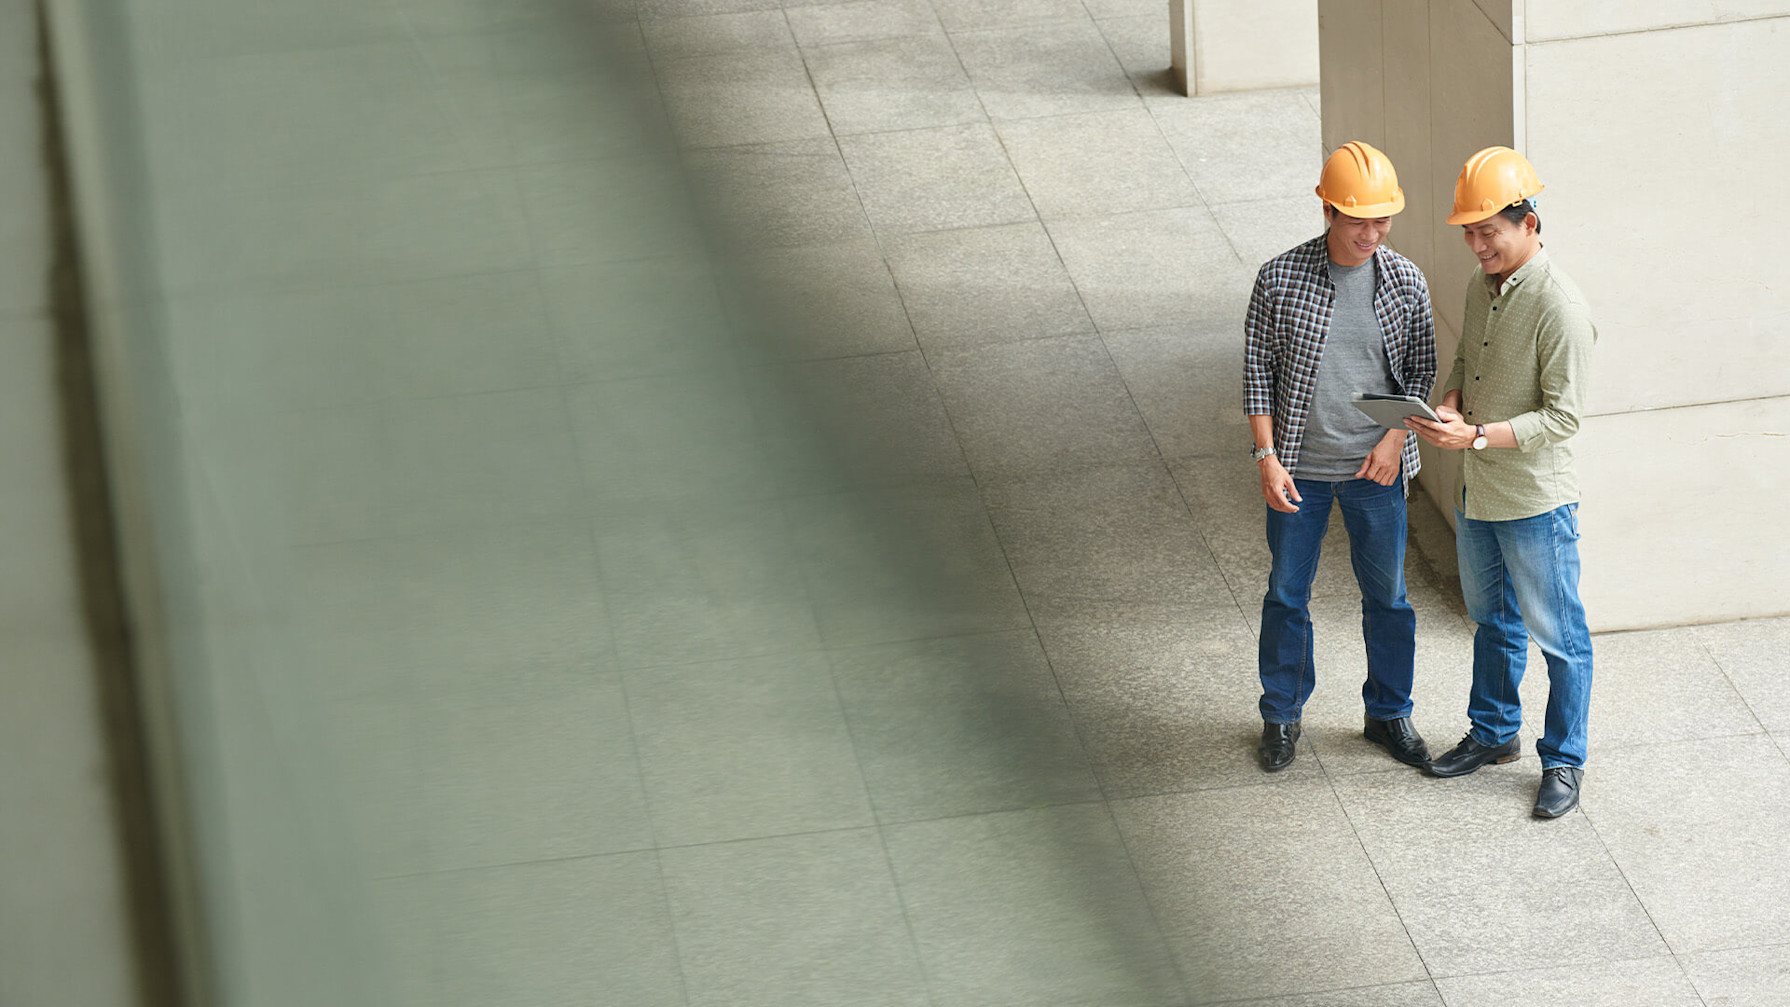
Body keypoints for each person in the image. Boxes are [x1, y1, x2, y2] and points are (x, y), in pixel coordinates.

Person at [1405, 146, 1597, 818]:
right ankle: (1493, 733)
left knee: (1560, 637)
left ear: (1530, 223)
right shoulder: (1479, 287)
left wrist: (1480, 437)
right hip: (1479, 492)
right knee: (1492, 620)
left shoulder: (1560, 307)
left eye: (1489, 231)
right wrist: (1452, 405)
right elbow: (1464, 359)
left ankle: (1565, 761)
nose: (1475, 244)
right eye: (1470, 232)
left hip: (1535, 501)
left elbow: (1564, 416)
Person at [1243, 141, 1437, 772]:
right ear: (1327, 209)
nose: (1373, 233)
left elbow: (1421, 372)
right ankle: (1281, 716)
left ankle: (1389, 714)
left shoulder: (1405, 280)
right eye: (1360, 220)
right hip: (1298, 469)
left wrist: (1394, 440)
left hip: (1373, 471)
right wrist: (1267, 458)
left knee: (1389, 598)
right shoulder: (1279, 279)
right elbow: (1256, 376)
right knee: (1287, 593)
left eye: (1383, 219)